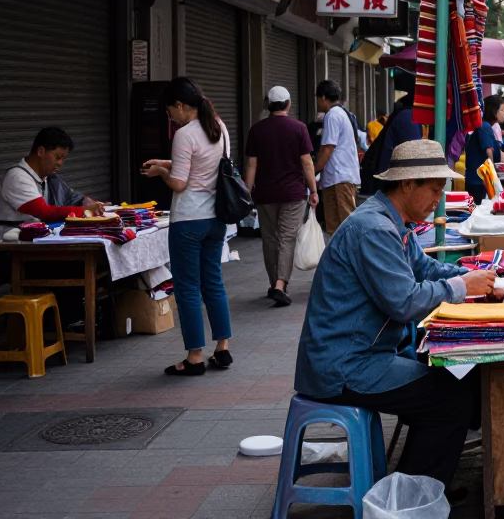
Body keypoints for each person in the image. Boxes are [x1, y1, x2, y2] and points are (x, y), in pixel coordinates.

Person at [295, 140, 503, 489]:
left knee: (459, 377)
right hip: (345, 366)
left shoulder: (394, 223)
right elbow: (404, 302)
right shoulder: (374, 229)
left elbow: (426, 269)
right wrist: (465, 286)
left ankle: (426, 480)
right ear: (408, 185)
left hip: (369, 354)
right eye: (434, 190)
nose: (438, 199)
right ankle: (410, 496)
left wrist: (473, 276)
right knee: (450, 396)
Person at [142, 77, 233, 377]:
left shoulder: (184, 134)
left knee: (188, 288)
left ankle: (195, 356)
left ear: (180, 106)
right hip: (215, 220)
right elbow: (206, 166)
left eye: (170, 112)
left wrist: (160, 172)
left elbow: (181, 183)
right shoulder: (218, 127)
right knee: (213, 283)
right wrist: (167, 162)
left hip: (188, 221)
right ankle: (222, 348)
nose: (171, 117)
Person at [0, 128, 106, 317]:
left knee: (91, 264)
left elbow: (72, 197)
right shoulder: (17, 177)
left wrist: (88, 202)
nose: (60, 164)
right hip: (2, 254)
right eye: (57, 157)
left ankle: (64, 321)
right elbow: (45, 212)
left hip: (29, 248)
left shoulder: (49, 180)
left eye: (63, 158)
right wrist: (86, 212)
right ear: (40, 151)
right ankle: (61, 324)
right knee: (72, 269)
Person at [244, 86, 319, 307]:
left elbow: (251, 164)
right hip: (293, 194)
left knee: (270, 239)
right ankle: (280, 284)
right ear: (288, 104)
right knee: (287, 237)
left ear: (268, 105)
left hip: (265, 194)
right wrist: (313, 190)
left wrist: (247, 193)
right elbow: (307, 162)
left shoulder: (256, 130)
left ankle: (274, 283)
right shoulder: (299, 128)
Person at [314, 80, 361, 234]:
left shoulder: (332, 115)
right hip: (337, 177)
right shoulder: (342, 112)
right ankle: (339, 257)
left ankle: (353, 256)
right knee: (335, 227)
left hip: (340, 178)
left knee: (346, 224)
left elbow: (328, 147)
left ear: (322, 97)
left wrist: (314, 169)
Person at [465, 95, 504, 202]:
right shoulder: (485, 126)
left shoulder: (486, 126)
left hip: (479, 179)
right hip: (478, 180)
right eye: (503, 110)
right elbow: (489, 151)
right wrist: (492, 177)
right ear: (494, 111)